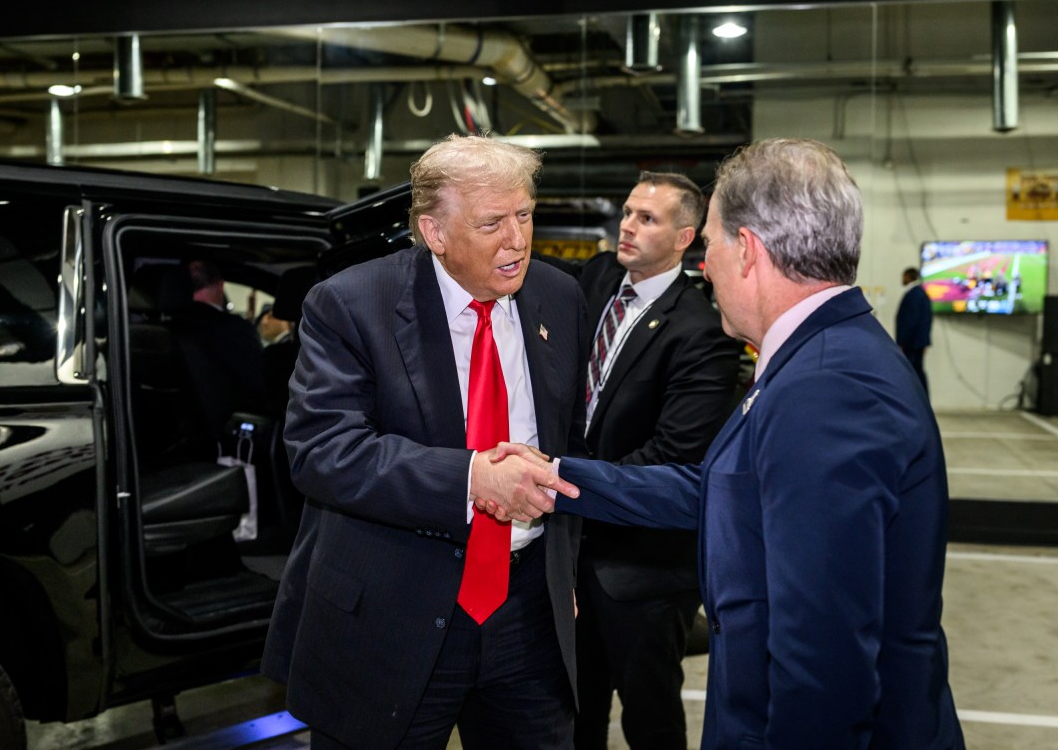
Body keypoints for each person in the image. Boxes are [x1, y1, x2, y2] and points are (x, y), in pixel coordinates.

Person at [491, 138, 965, 749]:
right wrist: (555, 477)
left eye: (709, 244)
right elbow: (722, 487)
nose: (705, 265)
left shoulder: (827, 388)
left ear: (748, 251)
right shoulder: (818, 356)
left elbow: (823, 655)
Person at [260, 132, 590, 750]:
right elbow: (323, 450)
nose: (517, 240)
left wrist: (562, 571)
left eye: (525, 215)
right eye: (493, 223)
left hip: (527, 614)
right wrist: (471, 479)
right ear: (434, 232)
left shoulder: (559, 295)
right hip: (393, 609)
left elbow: (568, 439)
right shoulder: (352, 303)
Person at [570, 172, 741, 750]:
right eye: (626, 212)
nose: (627, 225)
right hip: (571, 556)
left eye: (647, 218)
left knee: (650, 721)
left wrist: (564, 487)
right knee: (573, 710)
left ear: (684, 237)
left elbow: (675, 455)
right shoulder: (594, 279)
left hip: (642, 570)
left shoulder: (702, 332)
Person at [176, 259, 268, 436]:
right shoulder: (234, 330)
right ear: (220, 285)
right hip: (224, 436)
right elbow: (257, 388)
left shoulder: (167, 328)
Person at [896, 265, 933, 393]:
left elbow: (910, 321)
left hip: (911, 343)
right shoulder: (922, 294)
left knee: (912, 372)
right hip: (918, 342)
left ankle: (918, 400)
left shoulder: (914, 295)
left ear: (909, 276)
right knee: (917, 371)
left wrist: (902, 342)